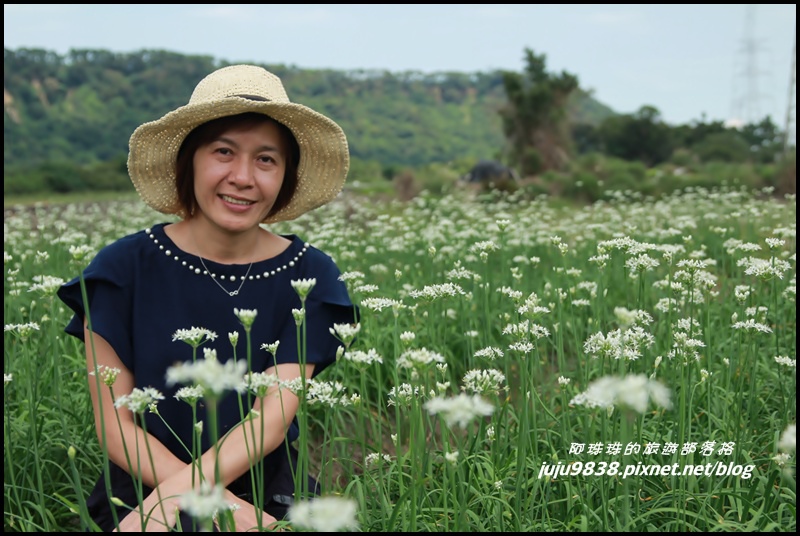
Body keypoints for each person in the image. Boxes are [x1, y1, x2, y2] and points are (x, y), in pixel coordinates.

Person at [57, 64, 359, 532]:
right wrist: (188, 503)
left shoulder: (309, 274)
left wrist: (220, 505)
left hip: (265, 495)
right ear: (190, 160)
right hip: (139, 490)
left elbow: (271, 420)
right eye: (224, 152)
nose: (242, 177)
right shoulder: (121, 268)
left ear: (285, 177)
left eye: (266, 159)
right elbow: (114, 424)